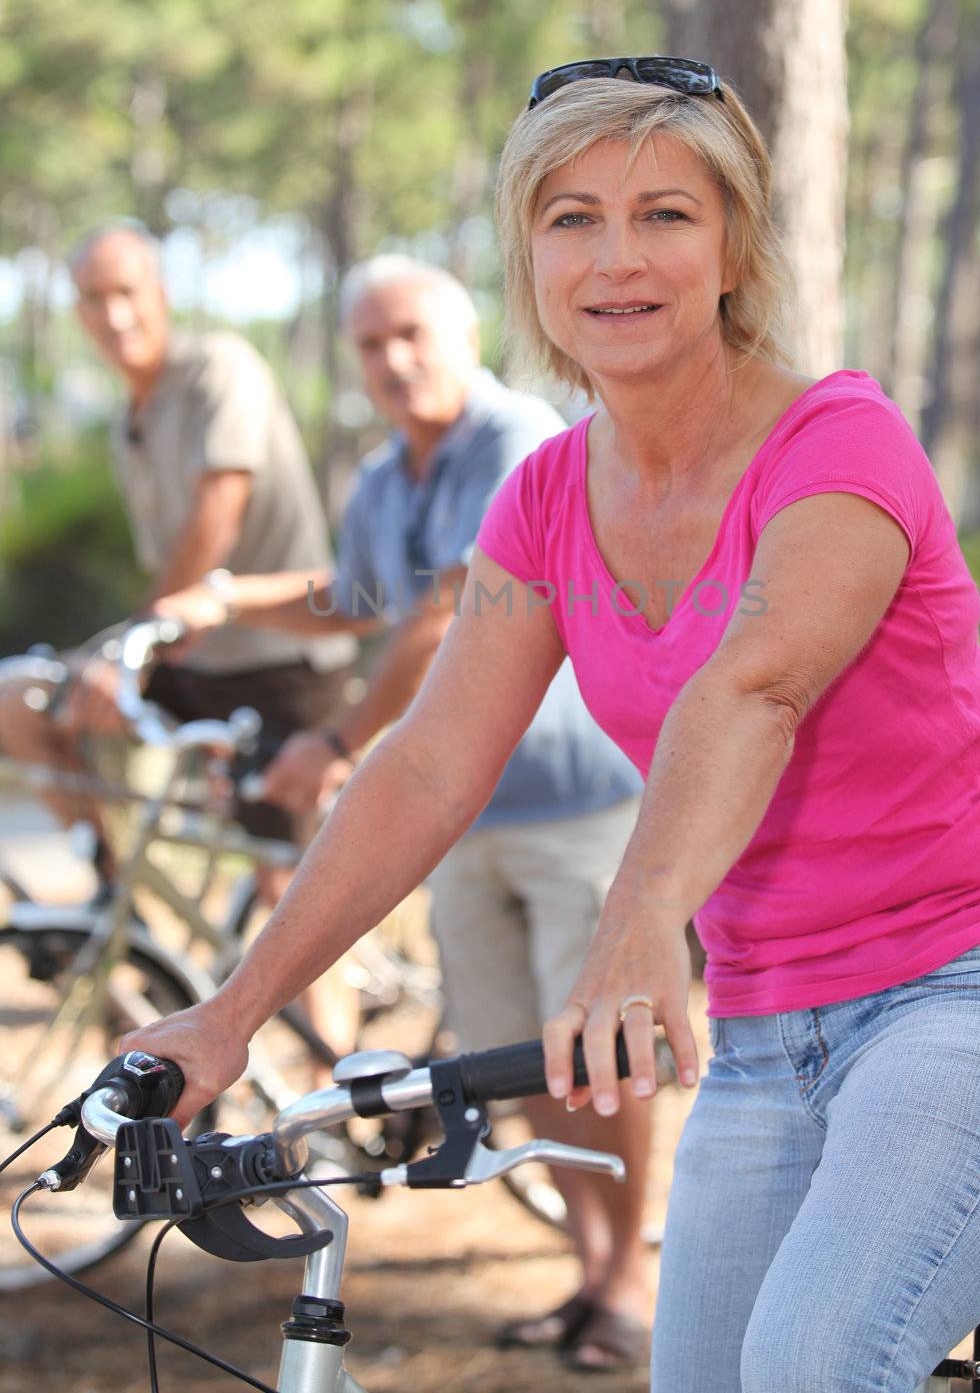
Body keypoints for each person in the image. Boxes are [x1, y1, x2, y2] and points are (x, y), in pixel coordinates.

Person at [123, 57, 980, 1393]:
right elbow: (433, 759)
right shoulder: (543, 500)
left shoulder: (837, 445)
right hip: (762, 1027)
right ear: (528, 257)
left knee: (812, 1364)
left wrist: (628, 934)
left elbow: (752, 687)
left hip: (975, 986)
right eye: (571, 217)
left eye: (664, 214)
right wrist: (228, 1013)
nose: (616, 257)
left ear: (730, 245)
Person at [150, 254, 650, 1371]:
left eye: (411, 333)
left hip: (575, 801)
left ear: (464, 333)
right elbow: (356, 597)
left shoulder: (516, 438)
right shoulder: (384, 477)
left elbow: (443, 611)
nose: (392, 359)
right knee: (512, 1062)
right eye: (371, 343)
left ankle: (619, 1285)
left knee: (596, 1058)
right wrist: (232, 595)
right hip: (463, 819)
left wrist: (335, 739)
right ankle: (580, 1269)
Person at [0, 223, 355, 1045]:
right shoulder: (131, 414)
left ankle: (341, 1086)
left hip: (278, 656)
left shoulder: (217, 369)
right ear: (80, 313)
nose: (113, 313)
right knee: (22, 701)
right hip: (186, 650)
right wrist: (124, 647)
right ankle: (115, 904)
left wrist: (136, 640)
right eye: (94, 299)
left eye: (126, 292)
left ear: (158, 295)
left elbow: (215, 519)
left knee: (287, 890)